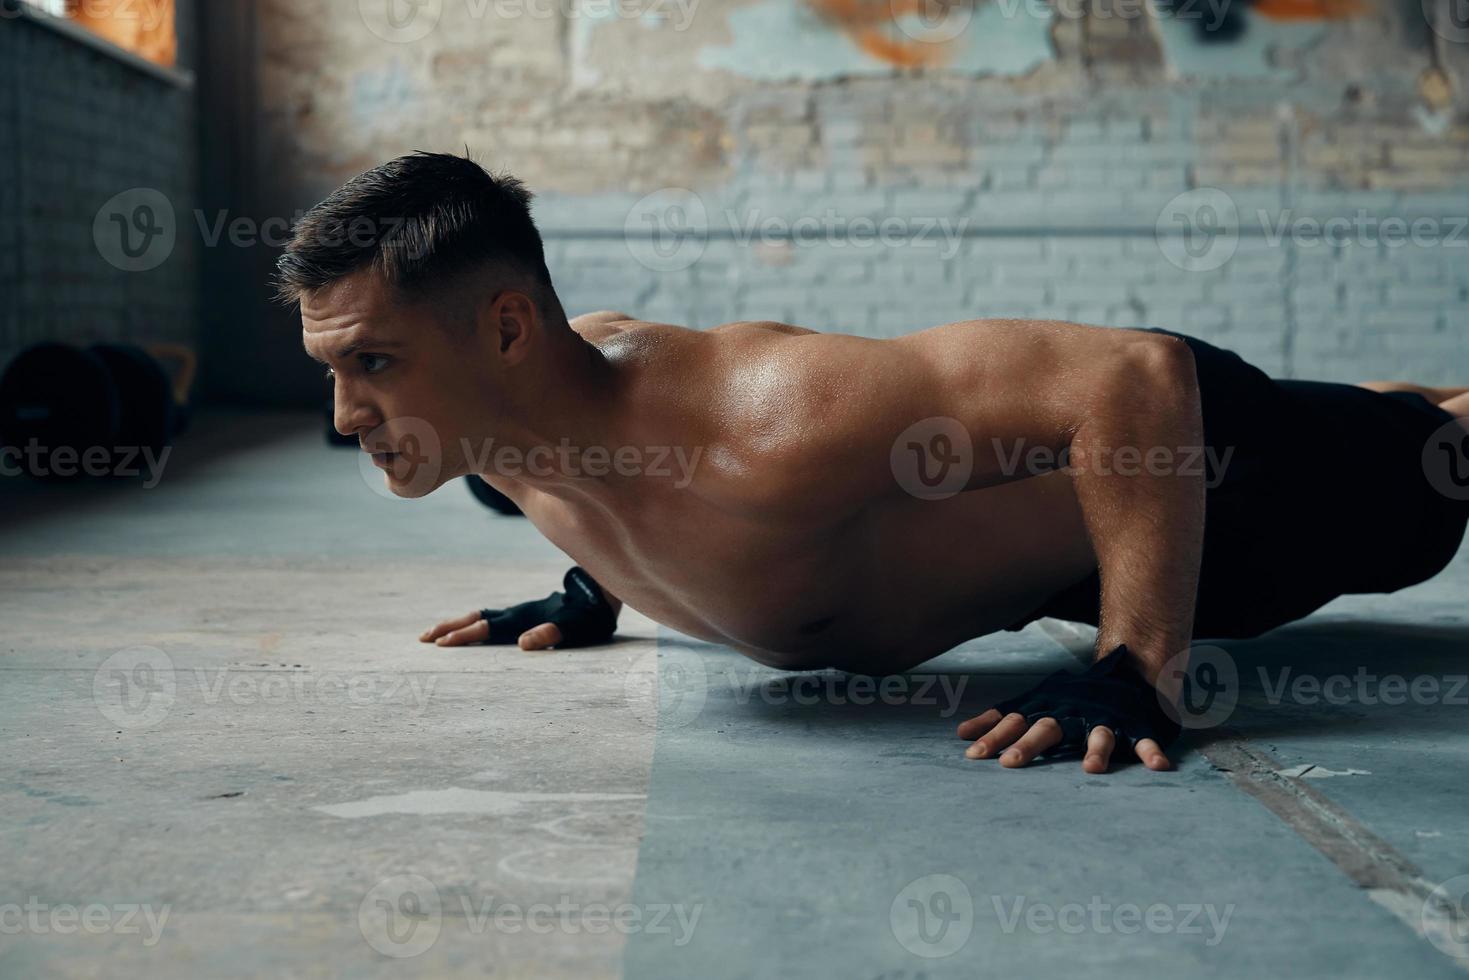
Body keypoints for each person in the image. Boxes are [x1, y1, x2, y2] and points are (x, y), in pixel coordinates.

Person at [278, 152, 1469, 775]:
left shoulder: (766, 429)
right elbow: (599, 462)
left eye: (373, 362)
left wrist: (1134, 666)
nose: (347, 414)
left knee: (1429, 462)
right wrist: (599, 584)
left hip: (1225, 494)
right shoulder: (509, 437)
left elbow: (1134, 379)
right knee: (1378, 411)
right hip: (1096, 508)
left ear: (500, 329)